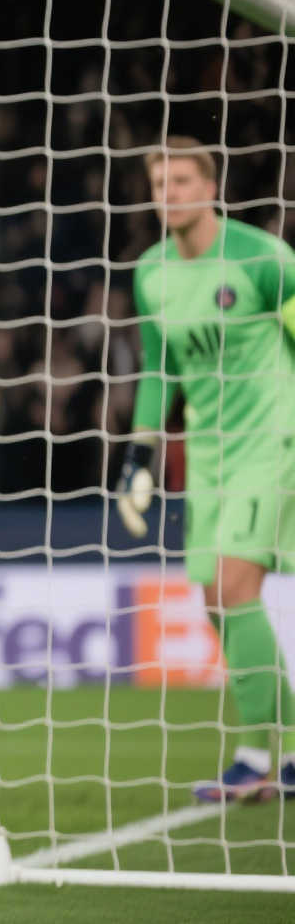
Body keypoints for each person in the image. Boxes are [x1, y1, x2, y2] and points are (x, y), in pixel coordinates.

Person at [114, 136, 295, 803]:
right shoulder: (151, 273)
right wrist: (139, 455)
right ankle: (272, 752)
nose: (171, 193)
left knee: (232, 585)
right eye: (160, 183)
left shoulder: (263, 259)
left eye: (184, 180)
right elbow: (158, 368)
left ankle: (262, 754)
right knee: (215, 601)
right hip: (209, 455)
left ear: (211, 187)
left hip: (272, 439)